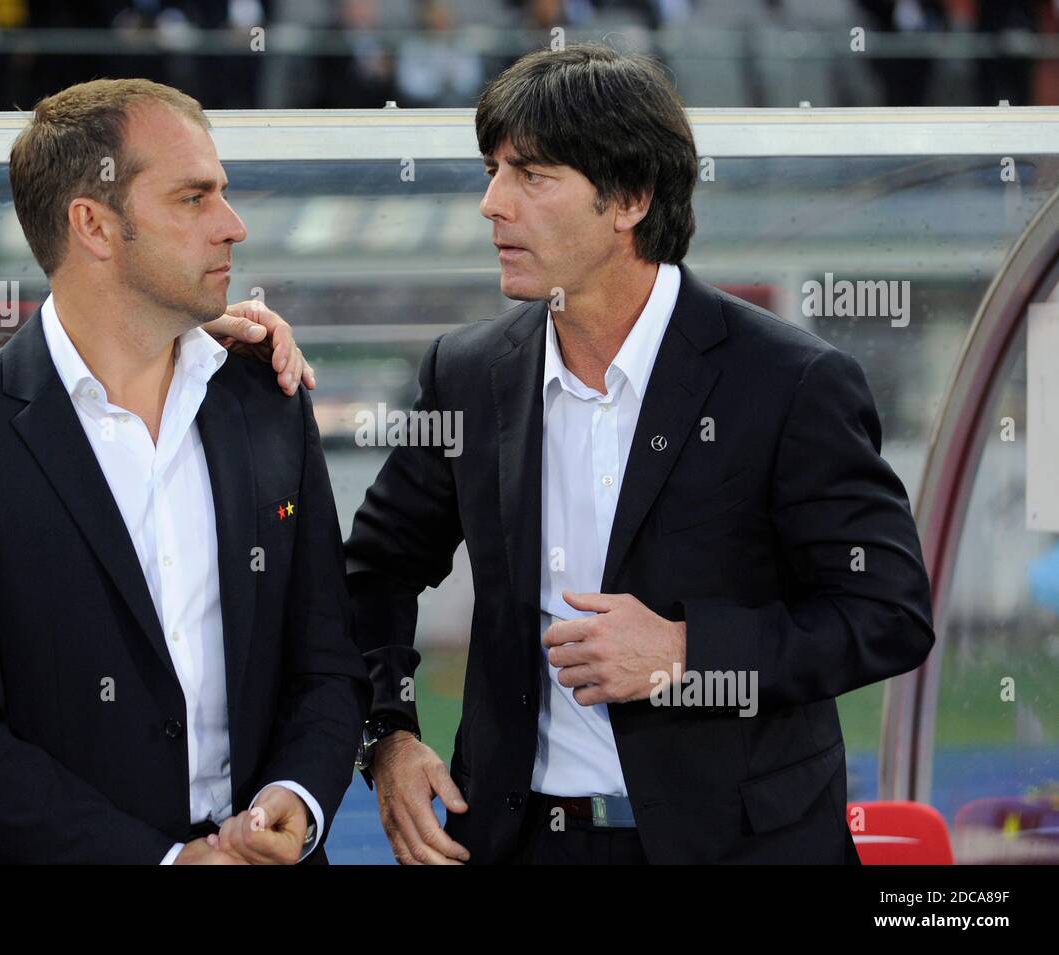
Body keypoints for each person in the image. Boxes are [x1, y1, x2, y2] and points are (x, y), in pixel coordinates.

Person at [345, 45, 935, 864]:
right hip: (518, 842)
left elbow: (888, 613)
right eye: (492, 171)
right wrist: (389, 735)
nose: (490, 204)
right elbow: (370, 573)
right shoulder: (468, 373)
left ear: (628, 198)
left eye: (531, 175)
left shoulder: (791, 382)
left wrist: (689, 652)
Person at [0, 78, 369, 864]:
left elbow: (327, 663)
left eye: (223, 194)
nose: (233, 226)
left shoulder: (267, 396)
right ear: (94, 224)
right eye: (194, 198)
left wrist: (296, 797)